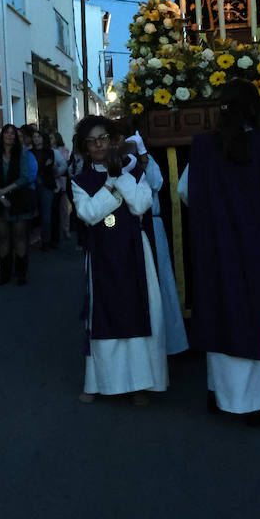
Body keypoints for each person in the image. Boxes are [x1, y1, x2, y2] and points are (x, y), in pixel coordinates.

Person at [179, 79, 260, 425]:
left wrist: (214, 215)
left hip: (217, 247)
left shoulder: (203, 146)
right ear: (255, 108)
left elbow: (184, 189)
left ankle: (224, 396)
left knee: (222, 315)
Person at [72, 116, 167, 405]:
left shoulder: (134, 172)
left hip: (134, 251)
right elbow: (87, 214)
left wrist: (119, 176)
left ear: (113, 141)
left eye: (103, 138)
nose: (98, 144)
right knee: (103, 314)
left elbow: (141, 205)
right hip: (101, 255)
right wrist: (112, 187)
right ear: (86, 148)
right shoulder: (80, 181)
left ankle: (141, 384)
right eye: (92, 141)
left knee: (139, 311)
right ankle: (99, 382)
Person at [125, 132, 189, 355]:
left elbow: (156, 183)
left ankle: (168, 343)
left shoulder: (148, 161)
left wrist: (143, 156)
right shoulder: (119, 164)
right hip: (131, 228)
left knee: (160, 283)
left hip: (153, 224)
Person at [0, 124, 38, 286]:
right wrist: (0, 195)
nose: (9, 136)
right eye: (6, 133)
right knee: (2, 237)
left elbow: (24, 176)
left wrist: (6, 190)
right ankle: (5, 273)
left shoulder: (22, 153)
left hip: (19, 199)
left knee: (19, 236)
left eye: (12, 134)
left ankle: (21, 273)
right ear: (2, 136)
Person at [49, 130, 71, 248]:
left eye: (52, 138)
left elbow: (65, 163)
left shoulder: (63, 150)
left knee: (63, 207)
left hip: (62, 181)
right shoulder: (48, 151)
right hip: (54, 182)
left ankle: (65, 228)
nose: (50, 140)